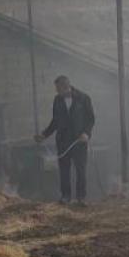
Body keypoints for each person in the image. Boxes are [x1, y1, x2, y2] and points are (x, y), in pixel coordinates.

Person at [34, 75, 95, 205]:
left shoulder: (83, 98)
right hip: (63, 141)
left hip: (79, 141)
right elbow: (55, 121)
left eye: (58, 89)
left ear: (65, 86)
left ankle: (81, 197)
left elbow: (90, 119)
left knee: (80, 170)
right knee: (64, 170)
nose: (56, 91)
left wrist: (86, 133)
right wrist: (44, 134)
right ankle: (66, 196)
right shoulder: (57, 100)